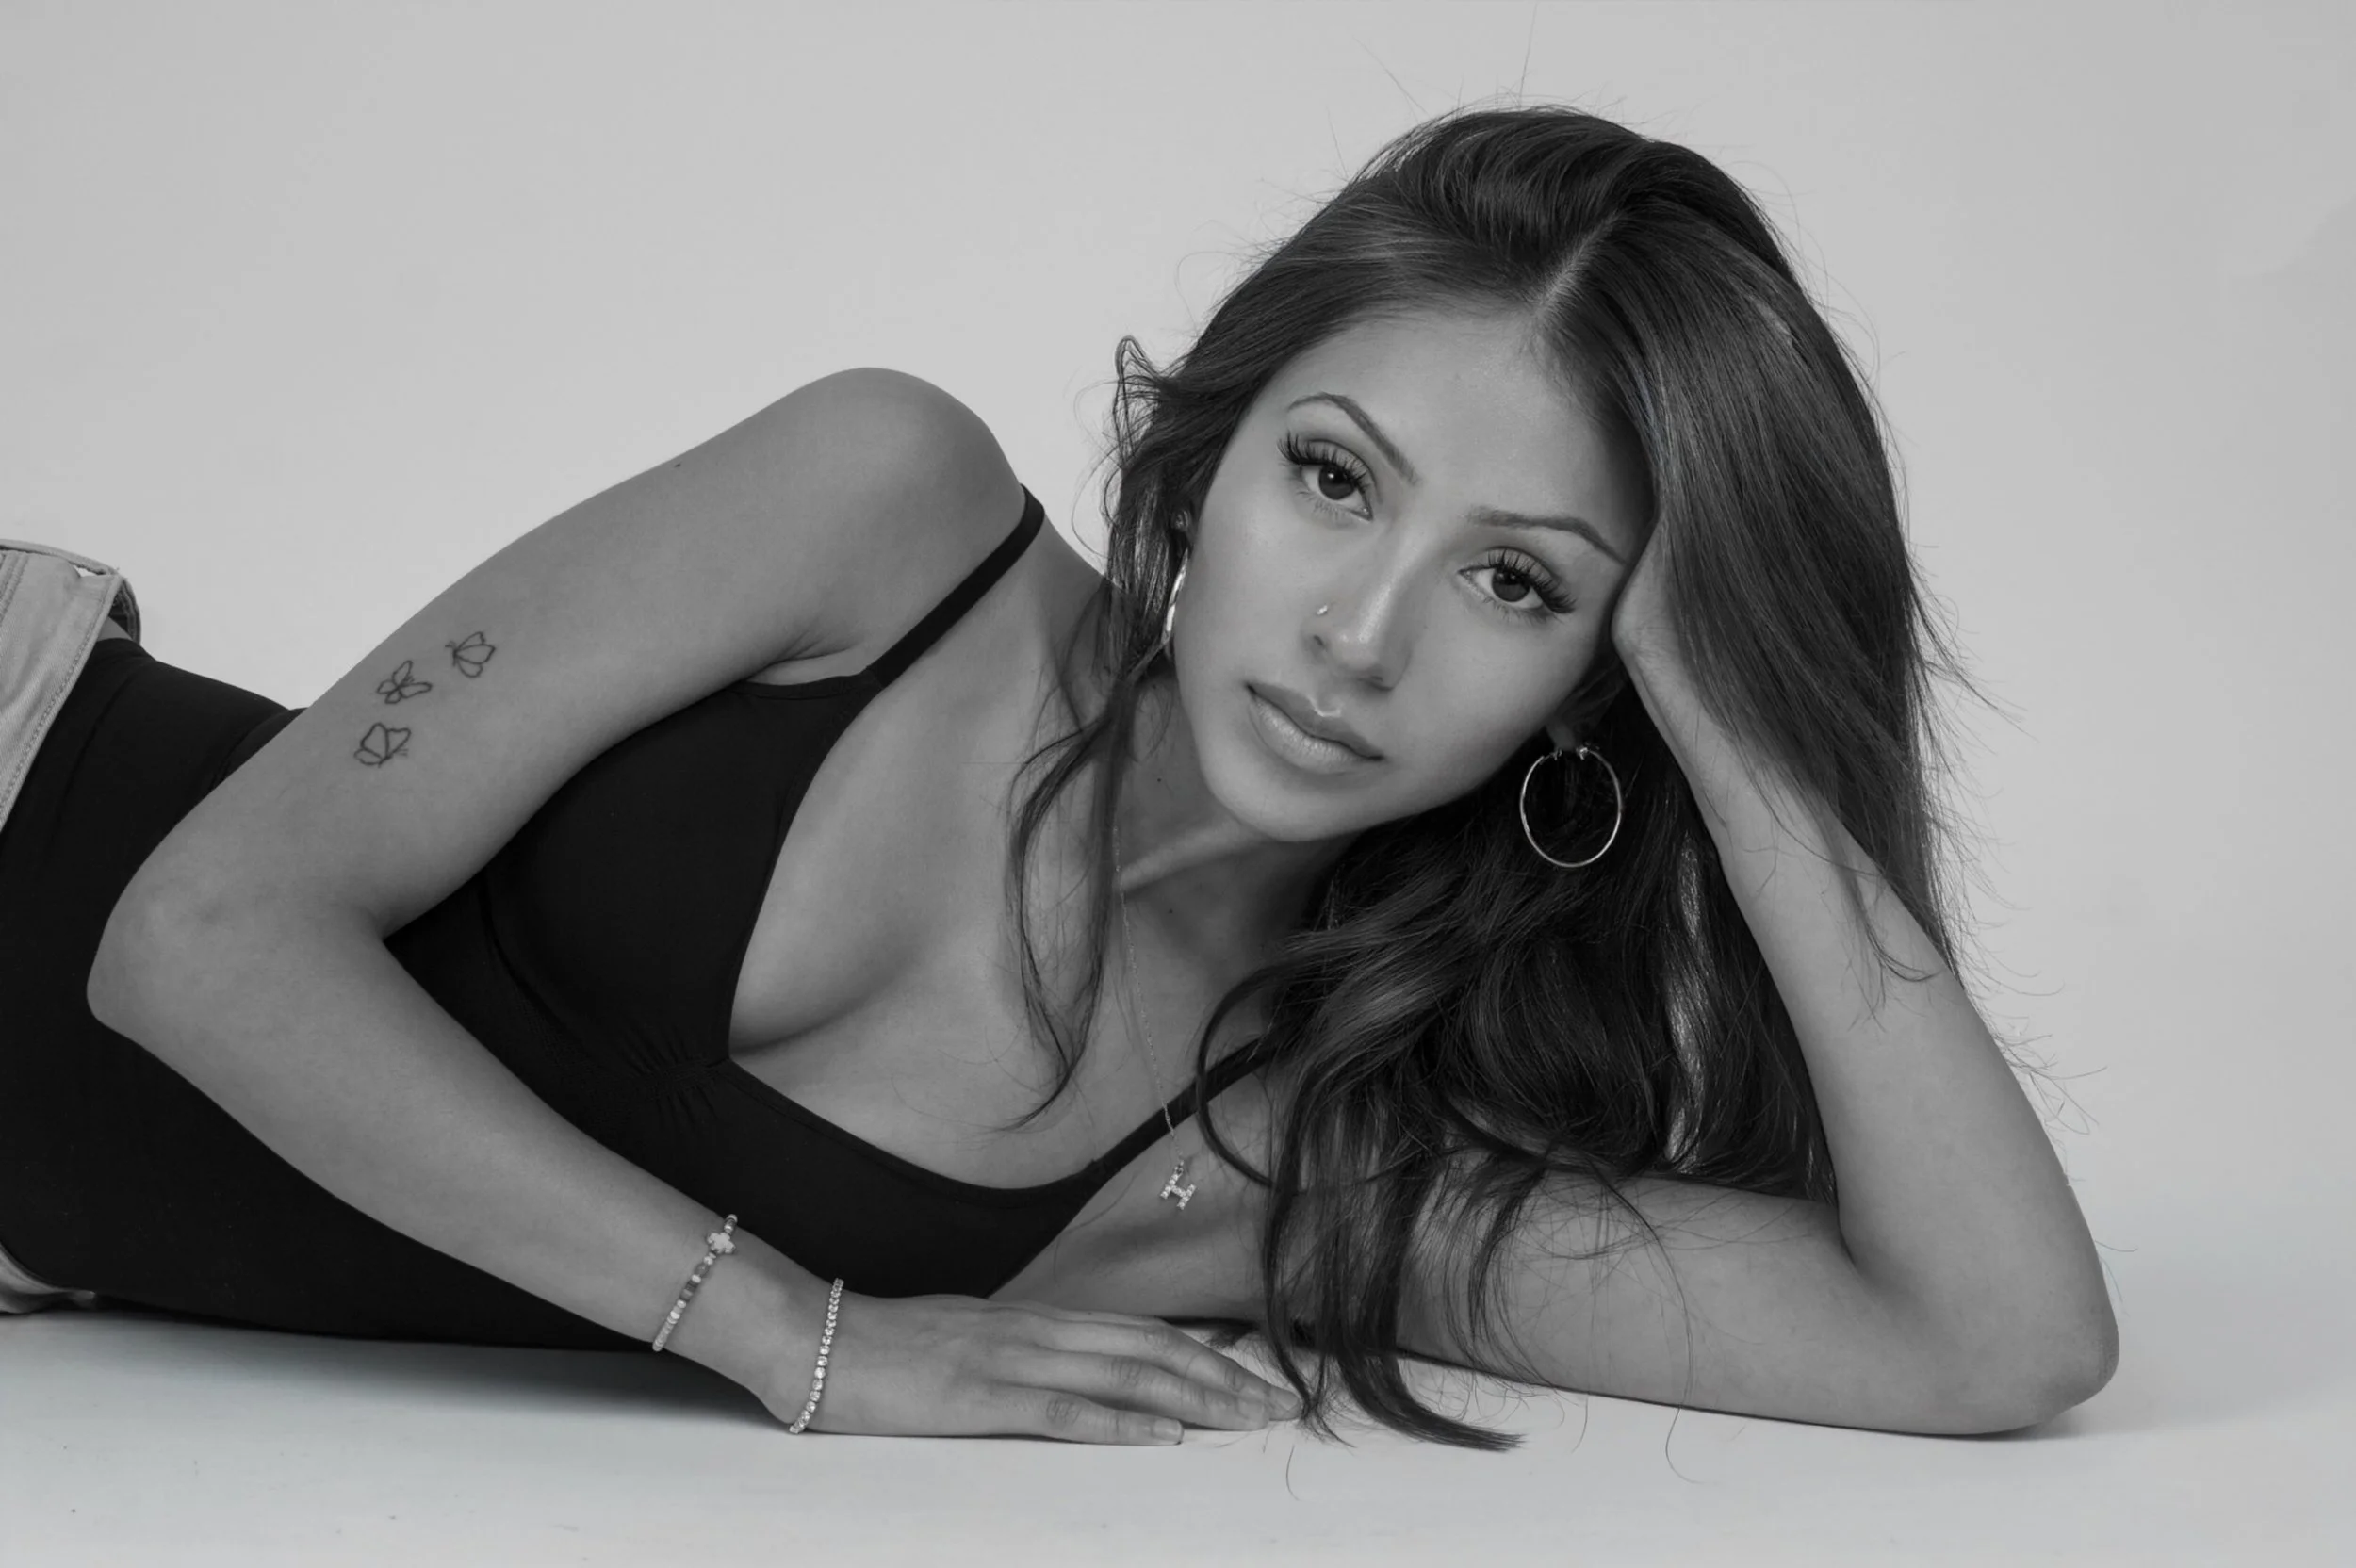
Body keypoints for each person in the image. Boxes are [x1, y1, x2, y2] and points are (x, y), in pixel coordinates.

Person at [0, 104, 2116, 1450]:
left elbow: (1989, 1345)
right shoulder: (887, 513)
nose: (1359, 633)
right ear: (1209, 447)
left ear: (1598, 678)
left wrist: (1744, 736)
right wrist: (802, 1334)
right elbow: (194, 932)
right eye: (1329, 478)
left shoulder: (1296, 1161)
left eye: (1510, 579)